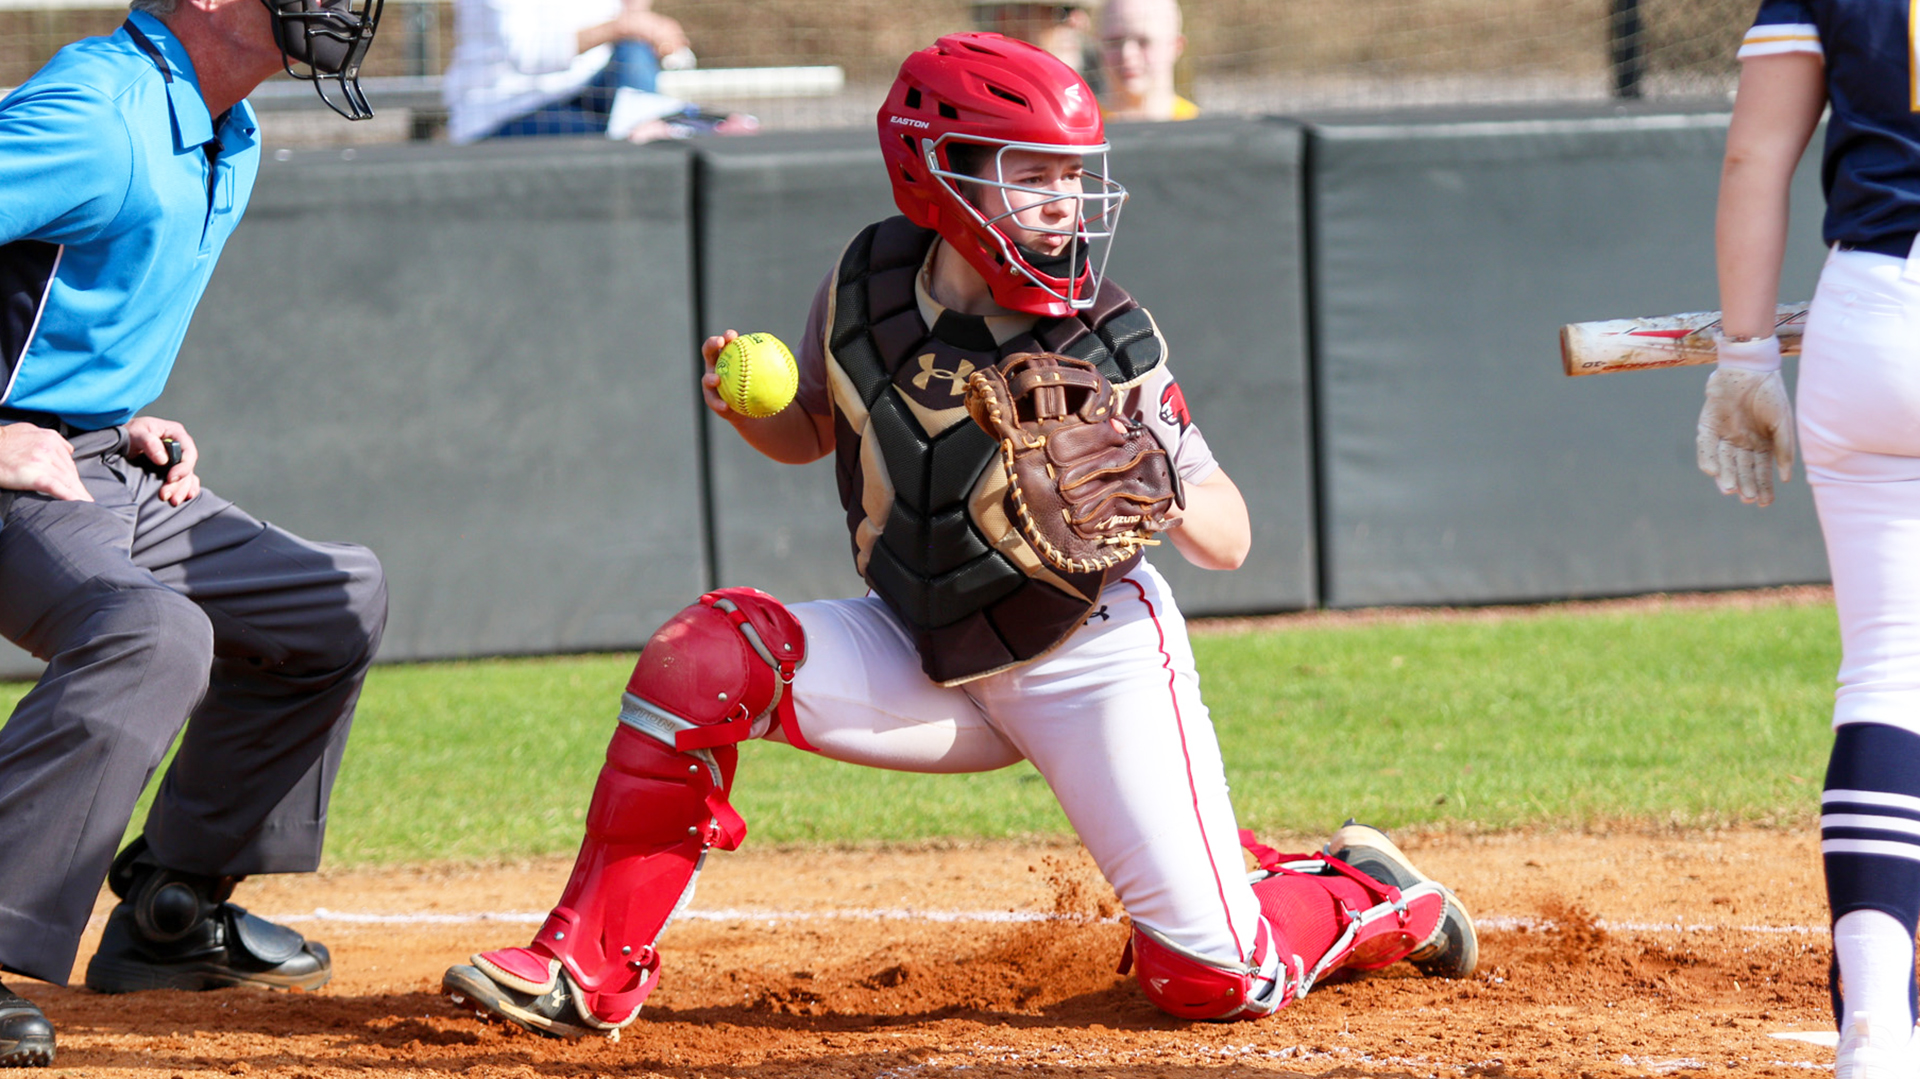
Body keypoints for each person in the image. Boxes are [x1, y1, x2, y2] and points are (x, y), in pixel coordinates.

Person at [440, 32, 1477, 1039]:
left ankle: (1369, 891)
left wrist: (1147, 482)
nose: (1064, 204)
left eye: (1074, 178)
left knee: (1214, 977)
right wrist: (746, 406)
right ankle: (584, 966)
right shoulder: (869, 282)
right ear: (940, 172)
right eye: (1033, 175)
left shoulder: (1107, 334)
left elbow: (1230, 535)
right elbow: (809, 435)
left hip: (1087, 656)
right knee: (702, 658)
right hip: (921, 645)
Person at [0, 0, 388, 1067]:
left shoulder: (230, 129)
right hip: (15, 476)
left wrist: (109, 415)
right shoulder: (97, 114)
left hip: (96, 463)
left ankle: (170, 910)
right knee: (155, 631)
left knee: (333, 598)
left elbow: (51, 311)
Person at [1704, 3, 1920, 1076]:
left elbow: (1757, 153)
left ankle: (1876, 1022)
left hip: (1874, 309)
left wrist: (1745, 353)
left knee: (1888, 669)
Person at [443, 0, 750, 145]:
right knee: (624, 144)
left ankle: (656, 124)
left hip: (591, 89)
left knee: (634, 49)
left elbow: (624, 16)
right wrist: (627, 25)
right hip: (506, 113)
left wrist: (642, 22)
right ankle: (656, 128)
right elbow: (529, 55)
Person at [974, 1, 1103, 93]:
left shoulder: (1098, 99)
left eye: (1080, 10)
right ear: (1008, 20)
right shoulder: (984, 93)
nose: (1077, 23)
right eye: (1062, 11)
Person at [1098, 0, 1196, 121]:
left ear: (1176, 46)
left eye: (1143, 41)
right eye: (1114, 42)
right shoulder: (1080, 129)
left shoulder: (1203, 130)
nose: (1127, 54)